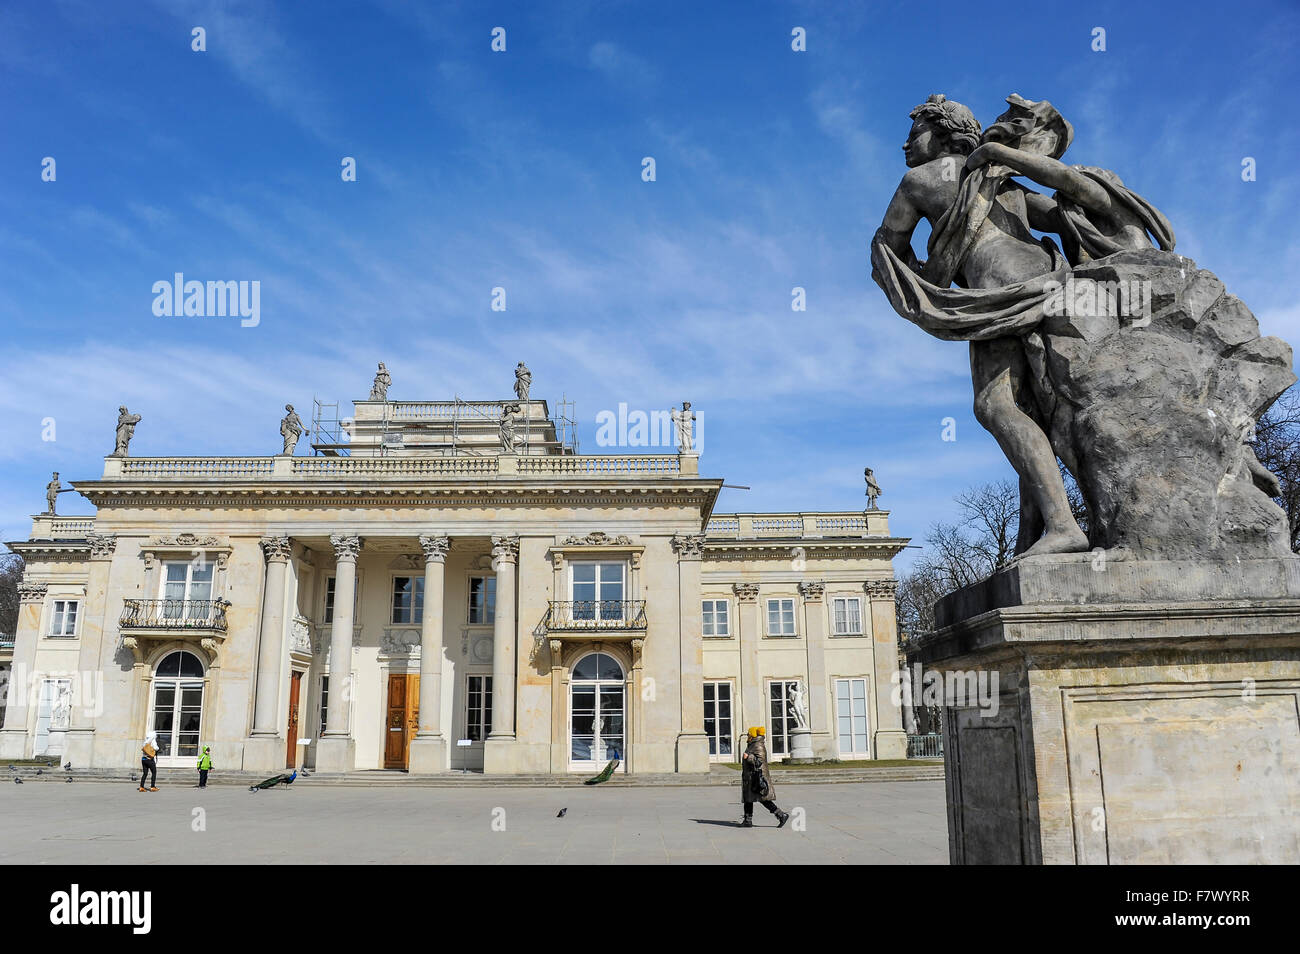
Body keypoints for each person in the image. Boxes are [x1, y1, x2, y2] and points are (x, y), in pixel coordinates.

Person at [740, 727, 789, 828]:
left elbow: (760, 760)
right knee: (748, 799)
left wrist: (748, 757)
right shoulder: (752, 744)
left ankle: (781, 815)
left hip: (757, 777)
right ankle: (747, 820)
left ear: (752, 735)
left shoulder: (758, 745)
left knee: (763, 799)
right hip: (750, 777)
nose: (747, 736)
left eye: (749, 734)